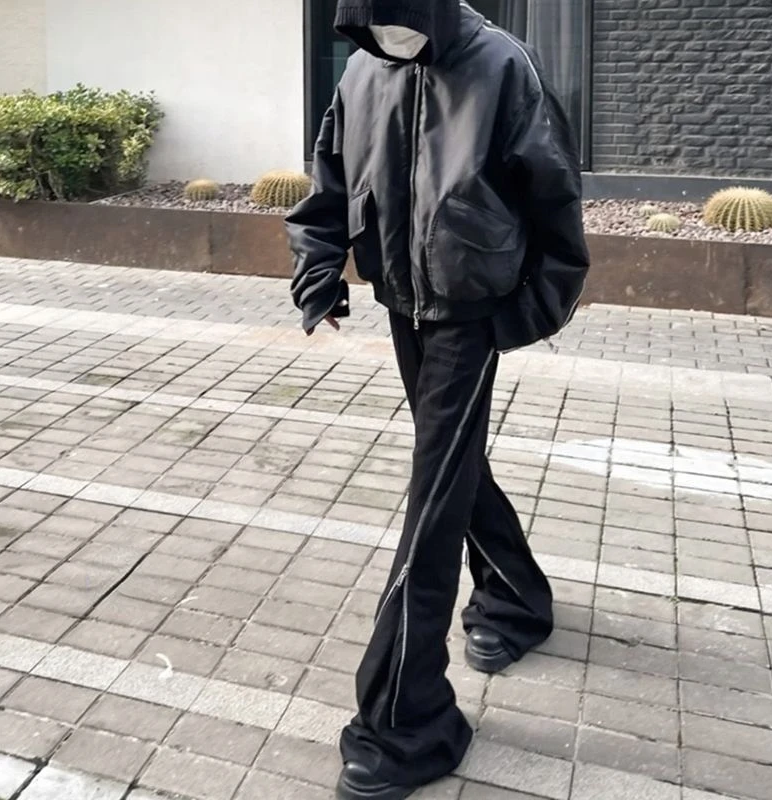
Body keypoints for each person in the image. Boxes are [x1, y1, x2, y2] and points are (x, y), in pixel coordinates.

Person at [286, 1, 590, 798]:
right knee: (449, 466)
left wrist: (520, 315)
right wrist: (319, 271)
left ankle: (403, 722)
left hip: (470, 312)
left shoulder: (502, 66)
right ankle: (517, 599)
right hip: (401, 300)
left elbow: (555, 202)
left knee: (432, 499)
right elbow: (331, 178)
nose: (391, 43)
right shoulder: (363, 69)